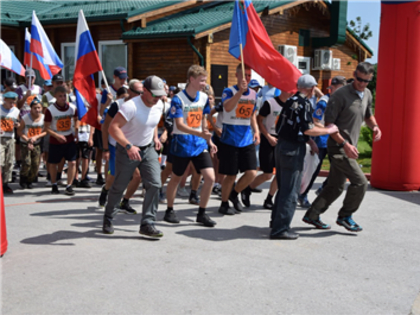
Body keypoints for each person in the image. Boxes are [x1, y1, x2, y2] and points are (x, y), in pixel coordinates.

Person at [303, 63, 382, 232]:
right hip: (338, 147)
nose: (361, 83)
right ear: (354, 74)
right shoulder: (339, 95)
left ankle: (312, 215)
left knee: (336, 186)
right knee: (360, 182)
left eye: (366, 81)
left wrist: (375, 126)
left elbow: (368, 115)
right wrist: (344, 144)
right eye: (359, 79)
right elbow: (330, 125)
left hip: (349, 146)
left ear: (370, 79)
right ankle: (345, 216)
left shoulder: (367, 93)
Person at [270, 74, 338, 240]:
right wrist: (329, 130)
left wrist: (309, 141)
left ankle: (276, 222)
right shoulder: (305, 103)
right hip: (293, 150)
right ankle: (280, 229)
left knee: (283, 188)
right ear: (310, 88)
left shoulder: (290, 101)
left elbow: (284, 125)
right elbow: (308, 128)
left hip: (281, 147)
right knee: (291, 191)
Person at [102, 75, 165, 238]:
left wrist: (156, 138)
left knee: (155, 184)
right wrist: (128, 146)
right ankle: (109, 217)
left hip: (148, 148)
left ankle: (147, 223)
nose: (158, 98)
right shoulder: (131, 107)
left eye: (160, 95)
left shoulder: (159, 105)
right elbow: (112, 128)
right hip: (127, 149)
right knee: (119, 185)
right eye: (154, 95)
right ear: (144, 90)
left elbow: (153, 122)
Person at [164, 65, 217, 227]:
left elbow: (202, 119)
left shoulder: (203, 98)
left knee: (210, 178)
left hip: (200, 144)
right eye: (201, 81)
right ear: (192, 79)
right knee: (176, 177)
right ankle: (169, 209)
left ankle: (202, 213)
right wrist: (200, 134)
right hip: (183, 143)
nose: (204, 84)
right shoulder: (178, 99)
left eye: (205, 81)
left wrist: (209, 139)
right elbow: (179, 125)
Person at [297, 76, 346, 207]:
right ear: (332, 88)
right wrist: (327, 130)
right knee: (314, 170)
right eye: (338, 88)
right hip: (321, 140)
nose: (341, 91)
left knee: (339, 167)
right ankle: (302, 194)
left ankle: (323, 188)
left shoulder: (340, 100)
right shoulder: (324, 102)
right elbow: (314, 121)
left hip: (334, 139)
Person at [218, 64, 259, 215]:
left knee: (252, 173)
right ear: (236, 75)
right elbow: (227, 107)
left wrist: (257, 131)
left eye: (249, 75)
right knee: (231, 175)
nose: (246, 78)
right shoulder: (229, 91)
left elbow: (253, 113)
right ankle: (223, 203)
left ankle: (234, 194)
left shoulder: (254, 94)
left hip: (247, 137)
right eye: (244, 75)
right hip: (230, 138)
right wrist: (240, 92)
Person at [99, 80, 142, 213]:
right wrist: (105, 148)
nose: (142, 95)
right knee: (114, 176)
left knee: (137, 176)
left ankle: (125, 201)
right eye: (139, 93)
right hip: (115, 145)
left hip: (133, 145)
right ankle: (106, 190)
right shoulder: (117, 105)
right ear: (130, 92)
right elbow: (105, 127)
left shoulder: (144, 104)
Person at [242, 92, 291, 209]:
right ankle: (247, 189)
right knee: (268, 174)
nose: (291, 92)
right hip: (268, 138)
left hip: (282, 140)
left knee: (280, 173)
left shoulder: (291, 104)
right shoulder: (270, 103)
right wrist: (268, 136)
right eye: (289, 90)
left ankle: (269, 199)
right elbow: (259, 120)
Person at [44, 85, 79, 195]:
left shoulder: (72, 108)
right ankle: (54, 183)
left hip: (69, 138)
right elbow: (46, 128)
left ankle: (69, 185)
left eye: (64, 96)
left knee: (72, 162)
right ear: (55, 96)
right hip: (56, 140)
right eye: (60, 96)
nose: (63, 98)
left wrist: (76, 132)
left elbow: (76, 118)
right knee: (53, 163)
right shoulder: (50, 110)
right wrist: (57, 136)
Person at [17, 98, 46, 188]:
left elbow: (46, 131)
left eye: (39, 108)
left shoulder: (43, 118)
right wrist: (27, 139)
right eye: (34, 108)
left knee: (36, 163)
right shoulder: (26, 118)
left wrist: (36, 137)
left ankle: (30, 180)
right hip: (25, 142)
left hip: (36, 142)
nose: (37, 110)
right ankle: (23, 178)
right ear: (31, 109)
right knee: (26, 162)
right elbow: (19, 131)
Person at [0, 92, 20, 193]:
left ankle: (5, 183)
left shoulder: (15, 111)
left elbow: (17, 121)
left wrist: (17, 124)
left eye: (13, 102)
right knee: (0, 161)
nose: (12, 105)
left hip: (10, 138)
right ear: (5, 100)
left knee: (9, 162)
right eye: (10, 102)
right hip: (1, 138)